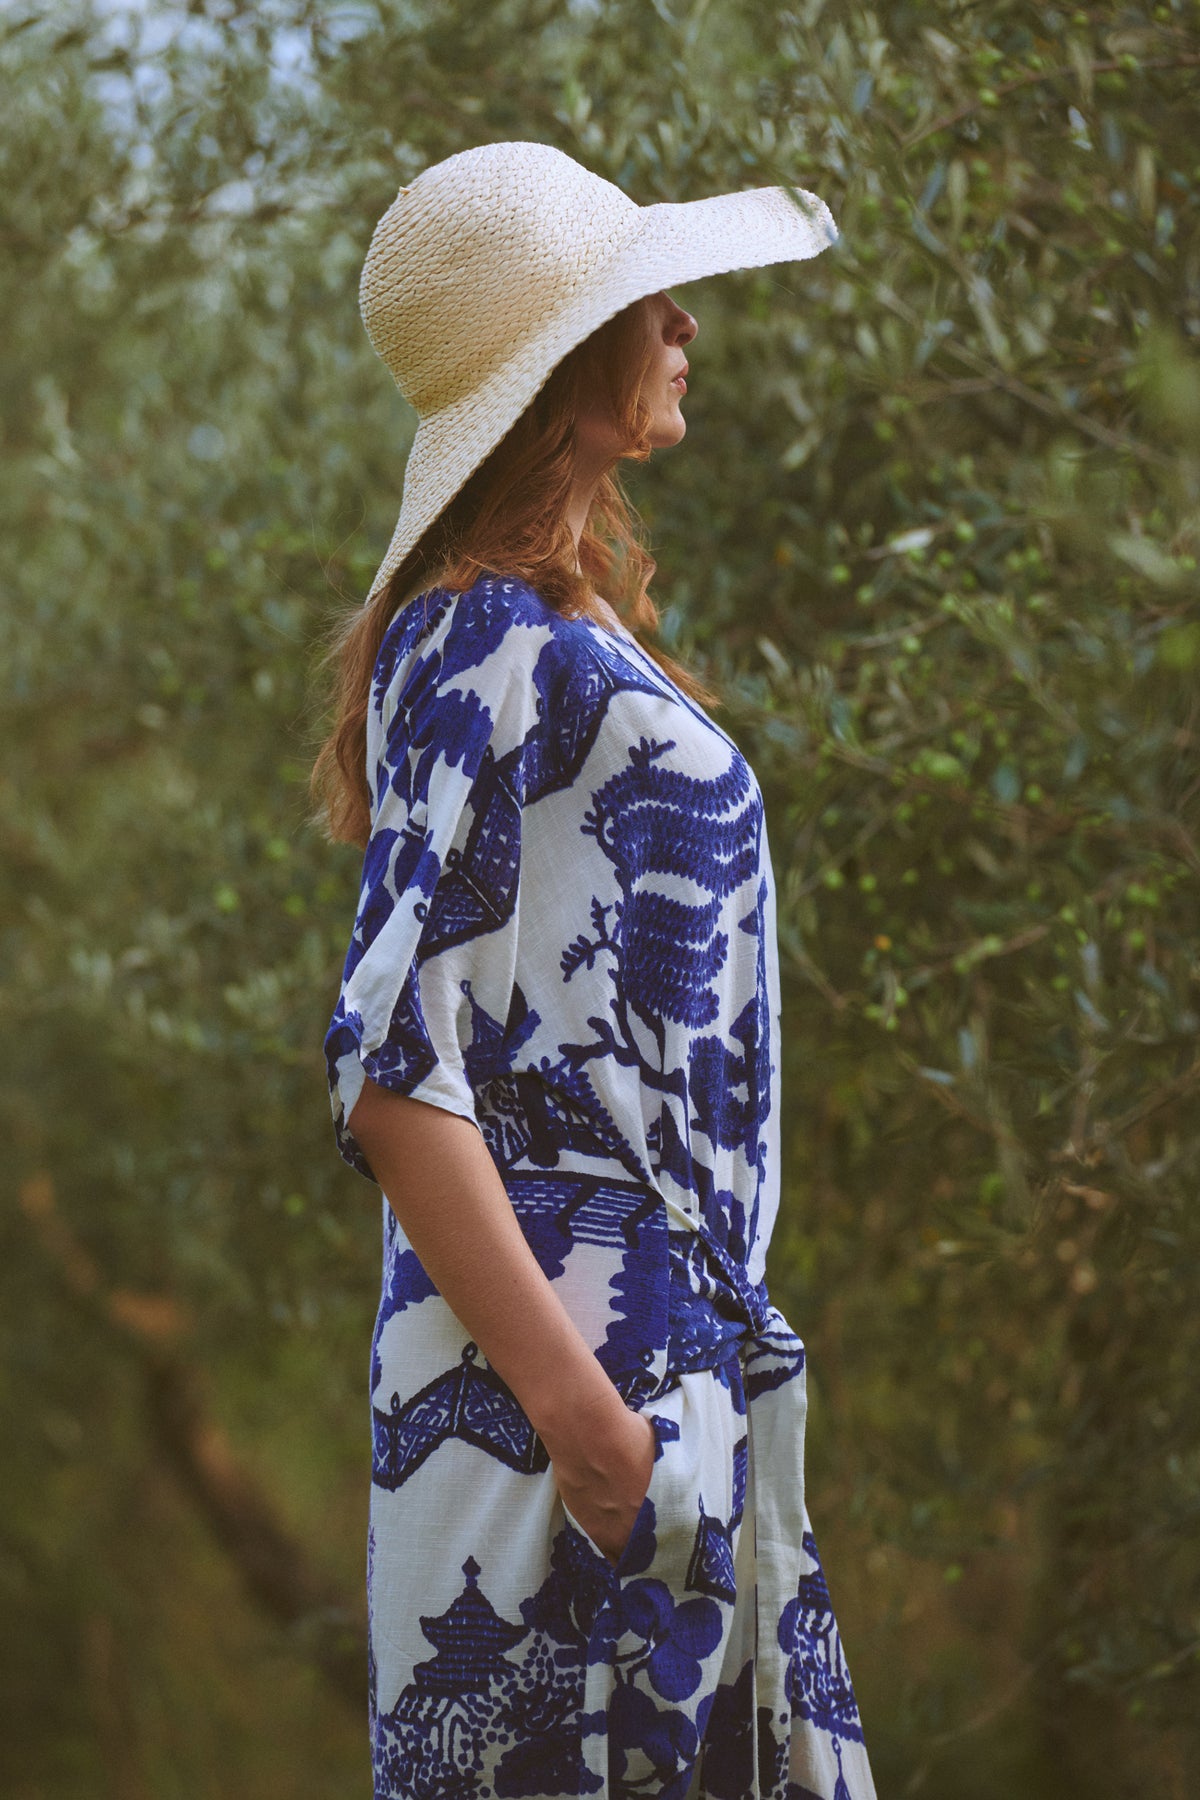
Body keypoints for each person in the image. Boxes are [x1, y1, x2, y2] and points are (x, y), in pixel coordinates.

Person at [312, 140, 877, 1800]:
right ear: (568, 363)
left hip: (654, 1401)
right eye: (646, 301)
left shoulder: (560, 633)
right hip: (559, 1430)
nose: (684, 322)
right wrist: (594, 1438)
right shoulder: (482, 638)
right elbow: (387, 1068)